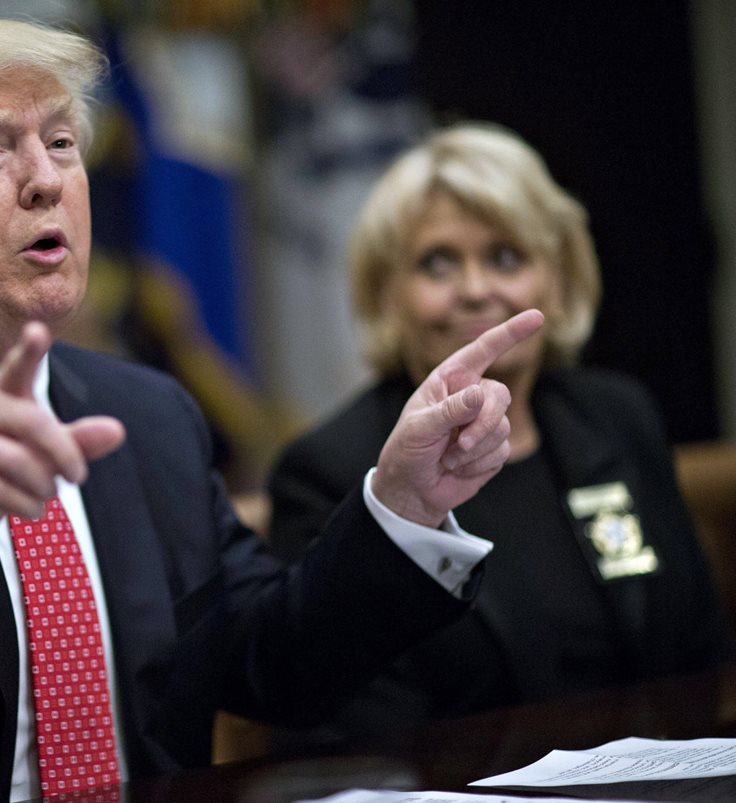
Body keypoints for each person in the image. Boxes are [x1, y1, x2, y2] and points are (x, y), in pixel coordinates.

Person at [0, 20, 542, 802]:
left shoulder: (145, 414)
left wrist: (404, 506)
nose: (45, 181)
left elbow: (272, 662)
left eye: (64, 142)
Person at [268, 122, 730, 741]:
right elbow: (353, 736)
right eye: (437, 263)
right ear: (387, 297)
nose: (476, 289)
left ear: (558, 281)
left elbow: (701, 654)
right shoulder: (331, 469)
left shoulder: (618, 418)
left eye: (506, 257)